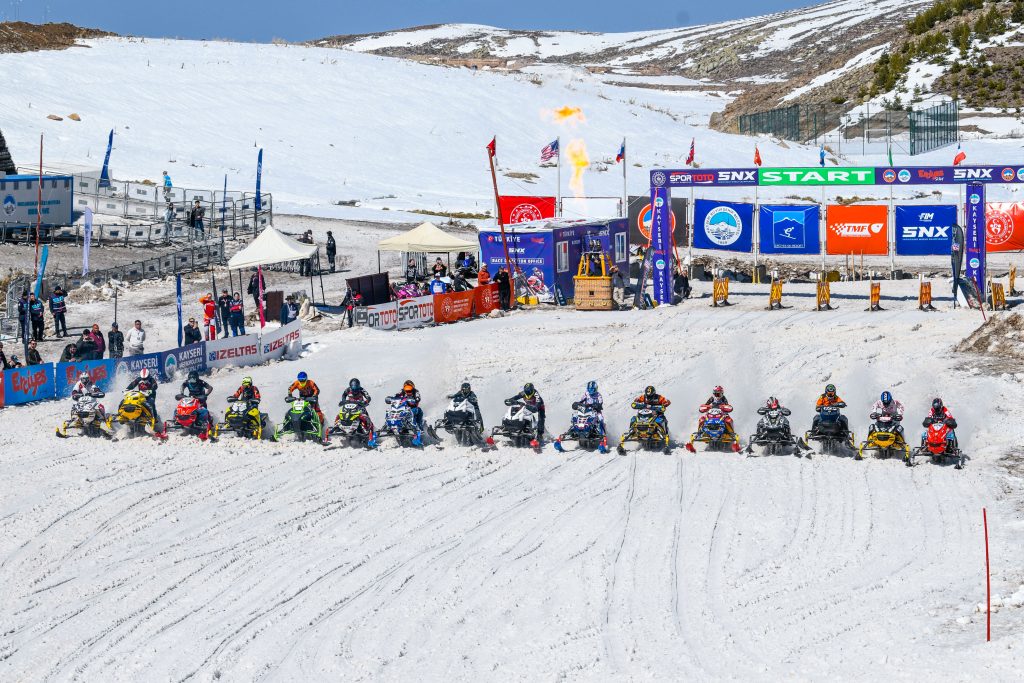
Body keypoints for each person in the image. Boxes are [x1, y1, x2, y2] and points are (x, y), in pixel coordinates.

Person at [340, 378, 376, 444]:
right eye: (353, 387)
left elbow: (368, 397)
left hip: (360, 406)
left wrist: (365, 402)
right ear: (350, 386)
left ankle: (371, 432)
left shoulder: (362, 390)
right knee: (341, 414)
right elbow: (343, 395)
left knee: (366, 417)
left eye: (356, 387)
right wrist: (344, 401)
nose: (355, 389)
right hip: (350, 407)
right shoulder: (348, 389)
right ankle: (338, 428)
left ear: (358, 385)